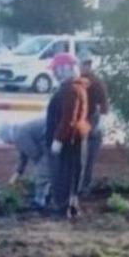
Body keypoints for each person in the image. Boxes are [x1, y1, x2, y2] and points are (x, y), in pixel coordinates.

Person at [45, 53, 91, 218]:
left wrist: (58, 139)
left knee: (64, 174)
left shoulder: (70, 89)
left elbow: (68, 118)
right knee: (74, 173)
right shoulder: (77, 87)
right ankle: (71, 206)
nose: (54, 73)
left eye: (57, 70)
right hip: (74, 137)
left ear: (65, 70)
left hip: (68, 139)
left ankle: (63, 208)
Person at [0, 118, 51, 209]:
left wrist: (37, 170)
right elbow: (23, 158)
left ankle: (40, 201)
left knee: (41, 173)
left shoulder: (19, 136)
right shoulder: (19, 132)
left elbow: (35, 154)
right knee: (43, 170)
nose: (5, 142)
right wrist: (16, 175)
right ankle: (45, 196)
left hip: (50, 141)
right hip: (48, 140)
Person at [80, 55, 110, 192]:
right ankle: (81, 185)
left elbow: (104, 104)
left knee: (88, 156)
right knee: (83, 156)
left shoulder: (96, 83)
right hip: (83, 121)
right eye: (83, 65)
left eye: (86, 65)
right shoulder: (78, 81)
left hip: (91, 120)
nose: (84, 67)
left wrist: (100, 123)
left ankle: (84, 185)